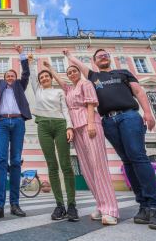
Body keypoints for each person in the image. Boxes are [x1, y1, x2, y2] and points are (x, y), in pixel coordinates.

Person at [62, 48, 156, 230]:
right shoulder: (94, 76)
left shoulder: (123, 73)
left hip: (129, 116)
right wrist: (69, 56)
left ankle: (155, 208)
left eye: (105, 55)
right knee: (127, 161)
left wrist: (148, 113)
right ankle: (143, 205)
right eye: (99, 56)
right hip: (108, 121)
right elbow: (78, 66)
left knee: (138, 157)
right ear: (94, 61)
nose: (103, 57)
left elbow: (139, 92)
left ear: (109, 59)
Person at [44, 60, 119, 225]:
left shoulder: (86, 84)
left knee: (98, 166)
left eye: (74, 71)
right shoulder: (70, 89)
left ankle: (111, 210)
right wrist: (50, 68)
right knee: (86, 169)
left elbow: (91, 103)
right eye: (69, 72)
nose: (71, 74)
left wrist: (91, 122)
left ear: (79, 72)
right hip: (77, 129)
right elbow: (60, 82)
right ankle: (101, 205)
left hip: (89, 124)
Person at [28, 56, 79, 222]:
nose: (43, 78)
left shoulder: (59, 92)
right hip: (43, 126)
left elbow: (65, 109)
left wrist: (69, 127)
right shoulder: (39, 91)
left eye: (46, 76)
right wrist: (31, 62)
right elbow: (31, 75)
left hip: (60, 125)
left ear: (50, 78)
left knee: (65, 164)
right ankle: (59, 205)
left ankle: (71, 205)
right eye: (41, 77)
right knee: (52, 165)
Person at [0, 44, 31, 221]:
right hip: (3, 123)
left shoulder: (21, 85)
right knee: (1, 160)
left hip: (19, 122)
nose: (10, 77)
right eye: (8, 76)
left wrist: (22, 53)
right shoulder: (0, 86)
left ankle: (14, 204)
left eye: (12, 75)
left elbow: (26, 72)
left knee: (16, 161)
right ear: (4, 79)